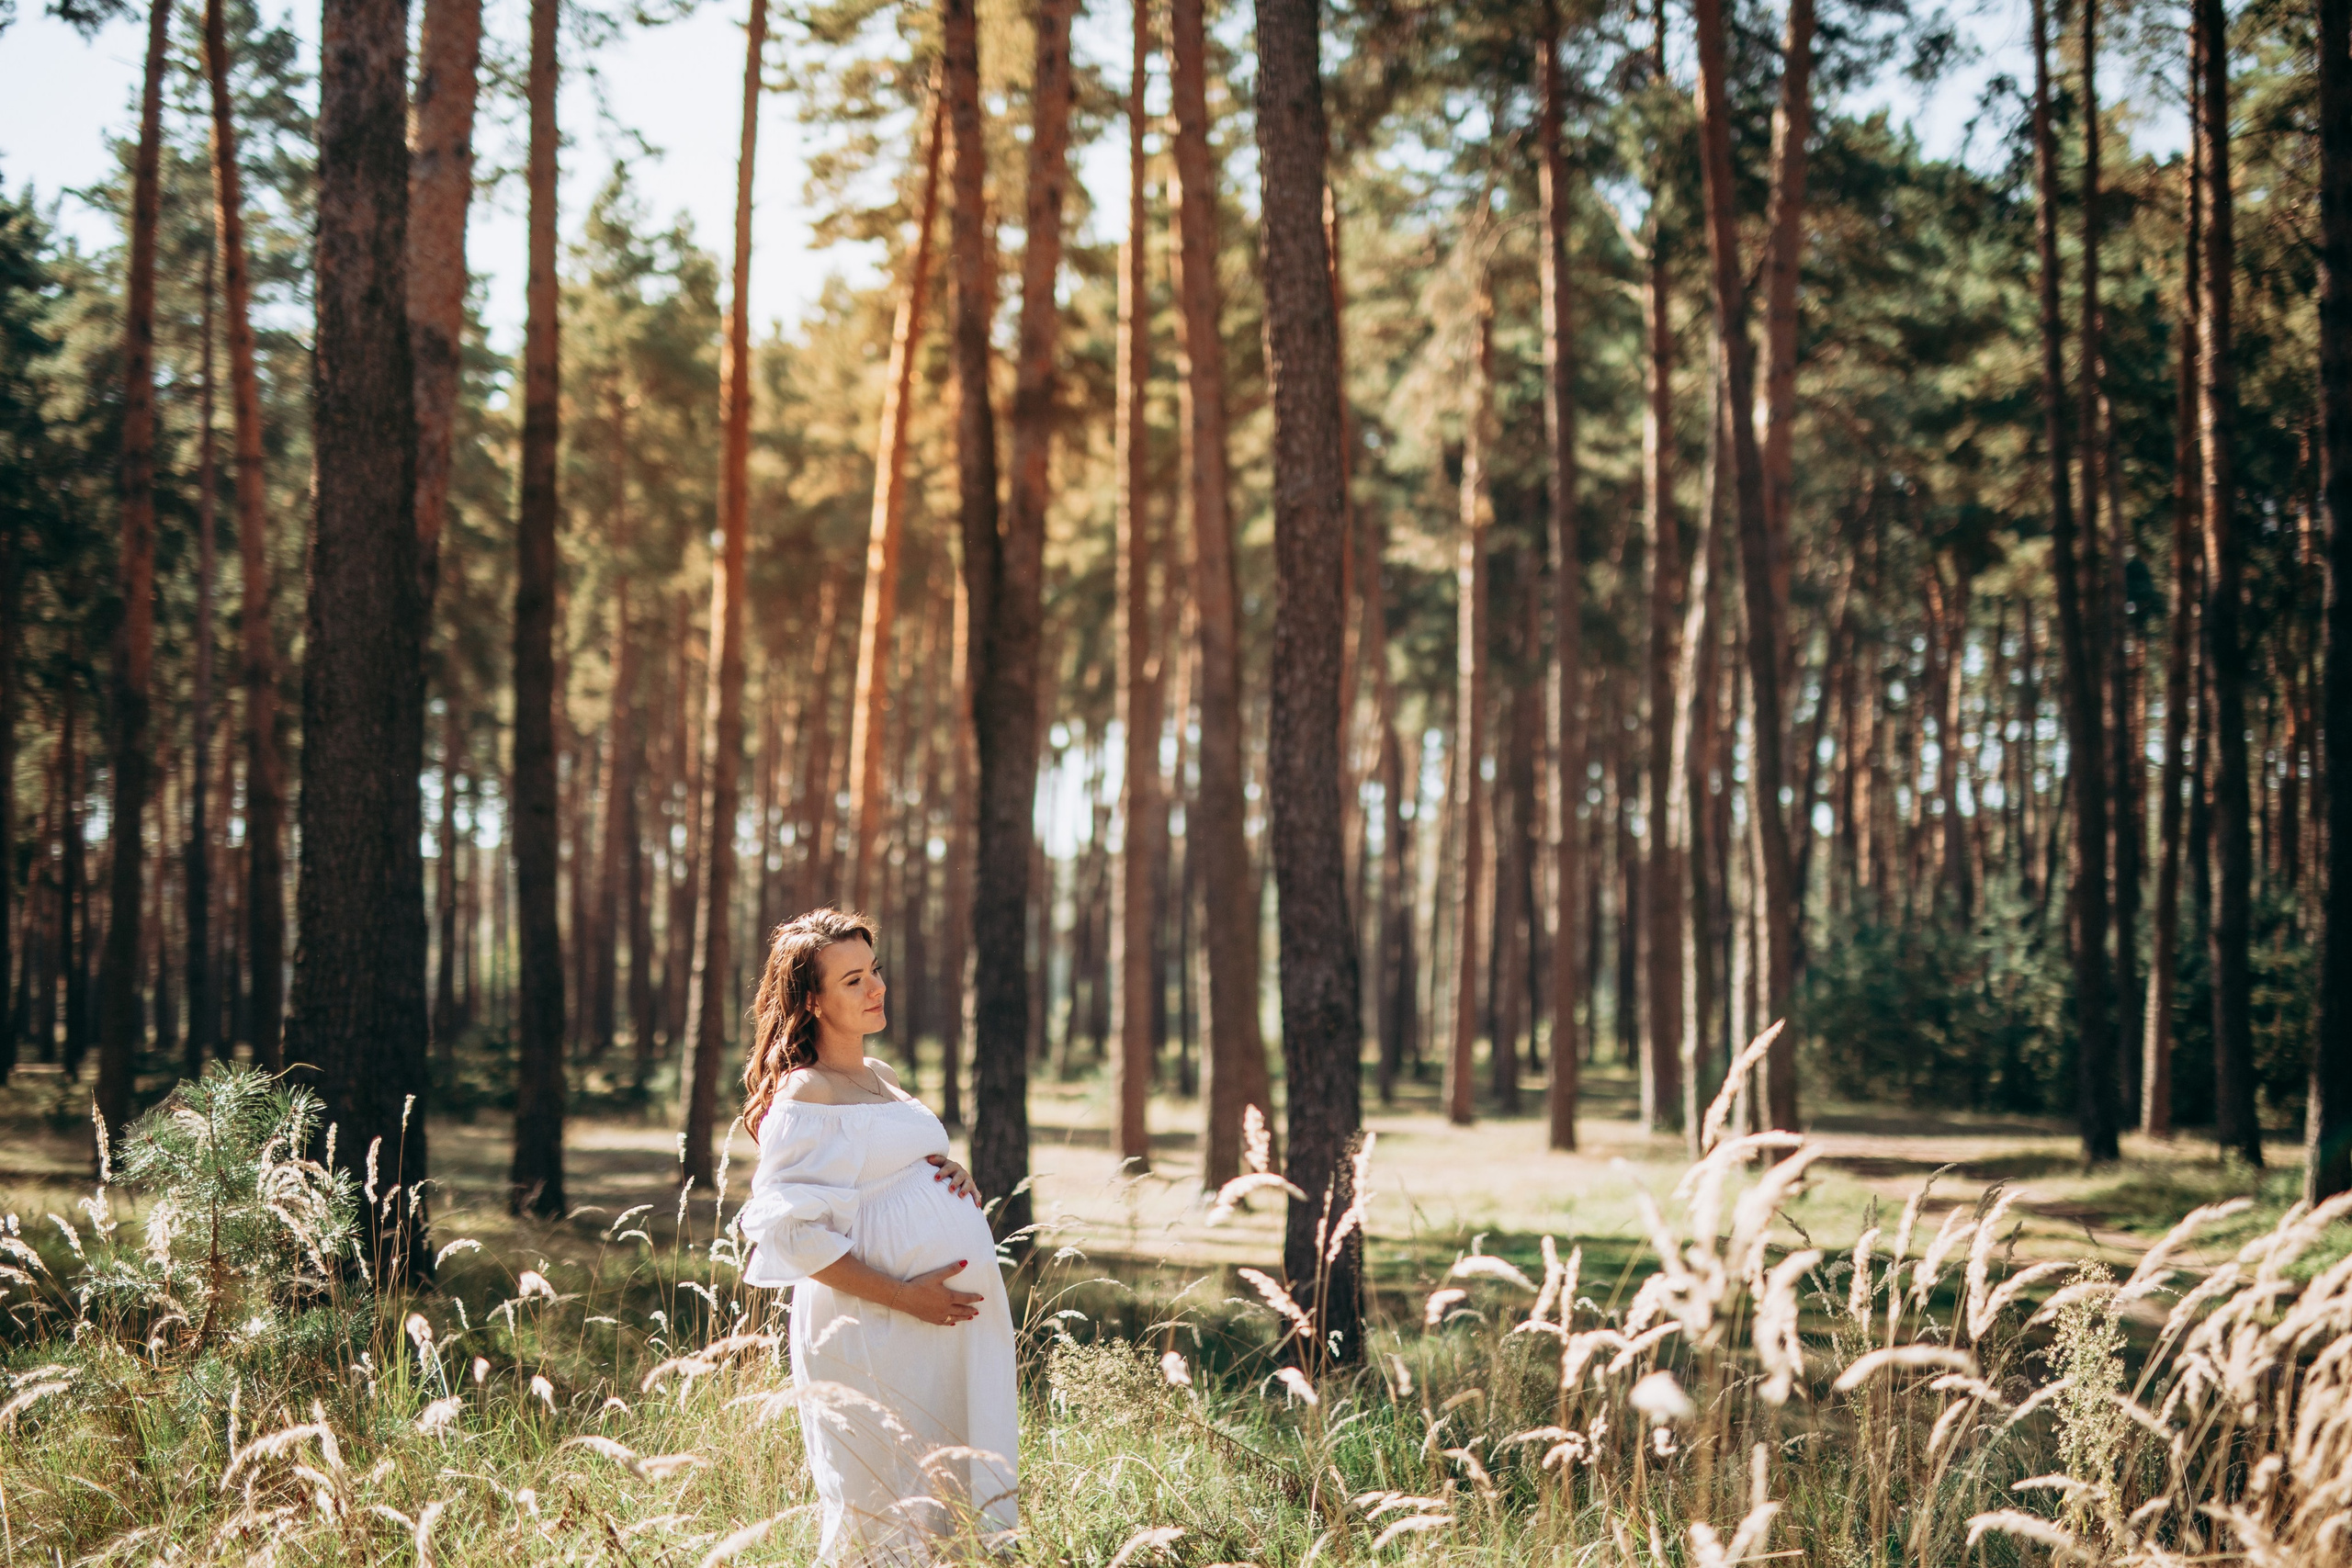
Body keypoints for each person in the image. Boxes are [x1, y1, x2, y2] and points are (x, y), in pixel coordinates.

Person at [735, 908, 1018, 1563]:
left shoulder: (881, 1075)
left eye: (876, 971)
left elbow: (882, 1168)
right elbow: (794, 1233)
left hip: (937, 1333)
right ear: (812, 1001)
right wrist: (904, 1296)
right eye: (853, 980)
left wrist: (944, 1171)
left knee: (947, 1497)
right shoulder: (807, 1091)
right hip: (875, 1325)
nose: (876, 989)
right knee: (885, 1509)